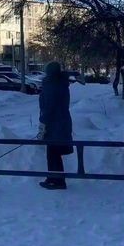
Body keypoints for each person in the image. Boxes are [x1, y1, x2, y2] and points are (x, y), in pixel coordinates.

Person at [38, 61, 73, 190]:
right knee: (54, 152)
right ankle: (54, 178)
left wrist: (43, 124)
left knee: (53, 152)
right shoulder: (62, 83)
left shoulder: (51, 85)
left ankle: (57, 180)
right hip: (62, 122)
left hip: (54, 125)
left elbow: (48, 108)